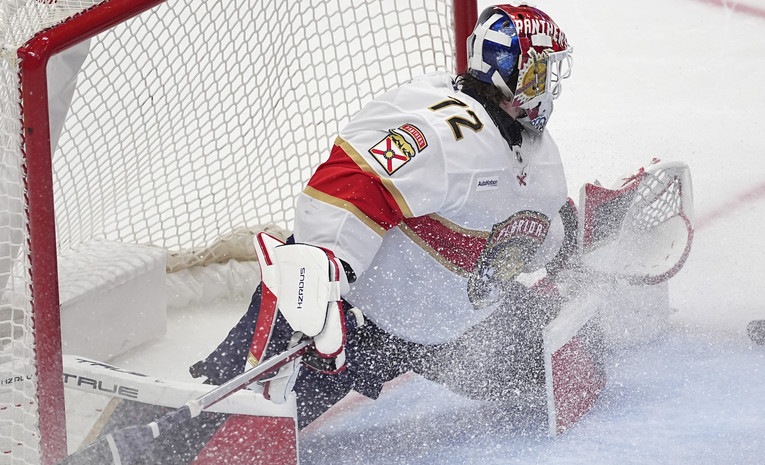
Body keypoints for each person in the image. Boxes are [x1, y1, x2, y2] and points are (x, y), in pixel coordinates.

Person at [190, 4, 593, 430]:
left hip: (454, 333)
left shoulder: (538, 152)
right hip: (353, 323)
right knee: (233, 427)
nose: (550, 84)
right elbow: (348, 184)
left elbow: (528, 231)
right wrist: (321, 288)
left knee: (549, 374)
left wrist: (575, 242)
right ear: (519, 74)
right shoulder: (442, 131)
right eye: (544, 71)